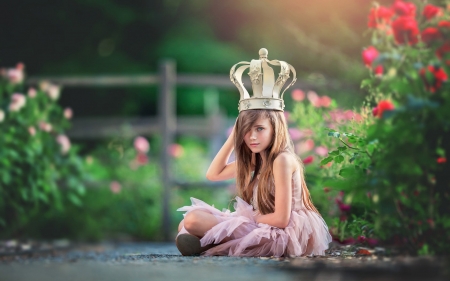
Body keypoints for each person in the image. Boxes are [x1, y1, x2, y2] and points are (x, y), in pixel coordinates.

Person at [175, 49, 332, 257]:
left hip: (279, 232)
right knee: (184, 224)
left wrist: (247, 219)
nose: (252, 137)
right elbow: (213, 175)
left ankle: (210, 244)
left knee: (193, 221)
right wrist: (234, 137)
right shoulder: (256, 160)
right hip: (260, 223)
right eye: (246, 131)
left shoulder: (282, 160)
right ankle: (210, 244)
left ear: (275, 128)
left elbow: (281, 219)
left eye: (259, 129)